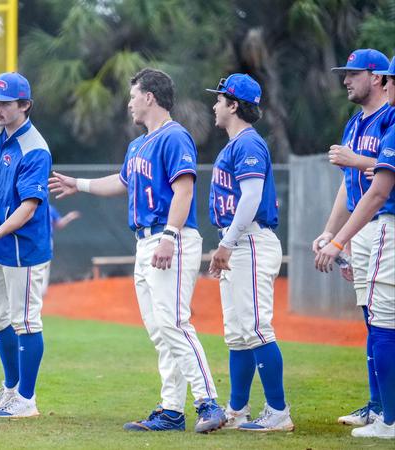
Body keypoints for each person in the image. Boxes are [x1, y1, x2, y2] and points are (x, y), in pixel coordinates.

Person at [50, 68, 226, 433]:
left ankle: (209, 402)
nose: (129, 102)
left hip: (169, 238)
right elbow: (121, 181)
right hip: (145, 241)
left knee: (174, 322)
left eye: (133, 96)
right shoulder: (138, 144)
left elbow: (184, 191)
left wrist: (169, 236)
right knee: (161, 330)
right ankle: (171, 410)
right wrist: (79, 184)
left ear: (150, 97)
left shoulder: (175, 136)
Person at [205, 74, 293, 431]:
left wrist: (227, 244)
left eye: (219, 99)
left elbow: (251, 198)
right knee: (238, 333)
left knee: (256, 328)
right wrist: (226, 242)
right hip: (238, 240)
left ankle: (278, 412)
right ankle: (236, 410)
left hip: (251, 241)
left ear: (234, 105)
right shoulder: (235, 144)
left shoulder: (248, 144)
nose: (214, 105)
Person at [311, 49, 394, 426]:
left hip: (382, 222)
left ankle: (387, 416)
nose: (345, 80)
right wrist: (331, 230)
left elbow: (381, 179)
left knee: (383, 322)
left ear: (377, 77)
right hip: (363, 228)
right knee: (371, 319)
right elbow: (349, 187)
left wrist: (339, 241)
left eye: (353, 73)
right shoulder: (354, 123)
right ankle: (377, 406)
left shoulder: (390, 117)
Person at [0, 72, 52, 418]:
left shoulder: (34, 148)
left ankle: (26, 399)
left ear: (25, 105)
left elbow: (29, 206)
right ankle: (11, 389)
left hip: (24, 247)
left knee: (25, 320)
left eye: (5, 103)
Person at [42, 205, 80, 295]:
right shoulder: (30, 206)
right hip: (33, 241)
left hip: (47, 240)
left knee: (45, 265)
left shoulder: (50, 208)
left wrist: (69, 217)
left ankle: (42, 290)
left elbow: (59, 223)